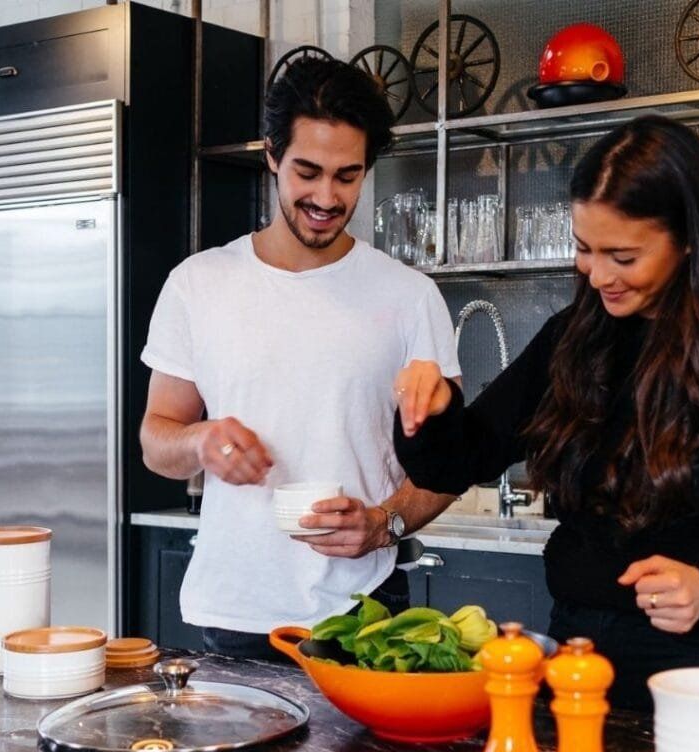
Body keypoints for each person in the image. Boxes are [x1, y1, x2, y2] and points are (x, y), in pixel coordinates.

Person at [393, 115, 699, 710]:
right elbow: (458, 460)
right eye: (585, 250)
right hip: (576, 662)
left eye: (623, 255)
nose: (599, 275)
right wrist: (430, 410)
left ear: (690, 239)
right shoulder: (572, 339)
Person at [139, 57, 459, 661]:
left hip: (362, 613)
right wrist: (201, 442)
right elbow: (157, 440)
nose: (326, 197)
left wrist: (386, 522)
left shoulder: (409, 295)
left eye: (348, 176)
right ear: (271, 155)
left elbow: (452, 458)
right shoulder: (199, 283)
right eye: (307, 172)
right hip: (233, 611)